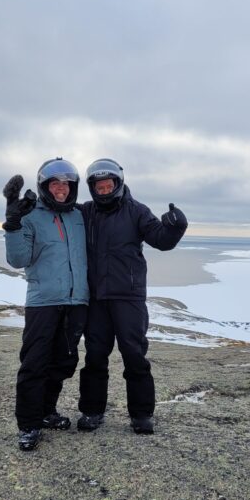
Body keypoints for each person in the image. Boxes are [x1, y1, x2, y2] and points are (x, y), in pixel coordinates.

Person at [77, 158, 187, 435]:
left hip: (129, 297)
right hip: (96, 299)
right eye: (98, 187)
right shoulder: (86, 212)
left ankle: (141, 416)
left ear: (118, 183)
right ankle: (92, 412)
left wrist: (175, 228)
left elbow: (160, 240)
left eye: (108, 185)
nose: (103, 190)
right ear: (92, 189)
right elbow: (59, 213)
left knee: (135, 355)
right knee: (95, 357)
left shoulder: (137, 211)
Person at [2, 157, 89, 451]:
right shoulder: (30, 215)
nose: (61, 189)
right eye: (55, 184)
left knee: (64, 362)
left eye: (66, 184)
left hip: (77, 302)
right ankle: (28, 425)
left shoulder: (80, 216)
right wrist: (13, 222)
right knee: (35, 363)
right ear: (44, 187)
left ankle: (46, 412)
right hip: (43, 302)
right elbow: (18, 260)